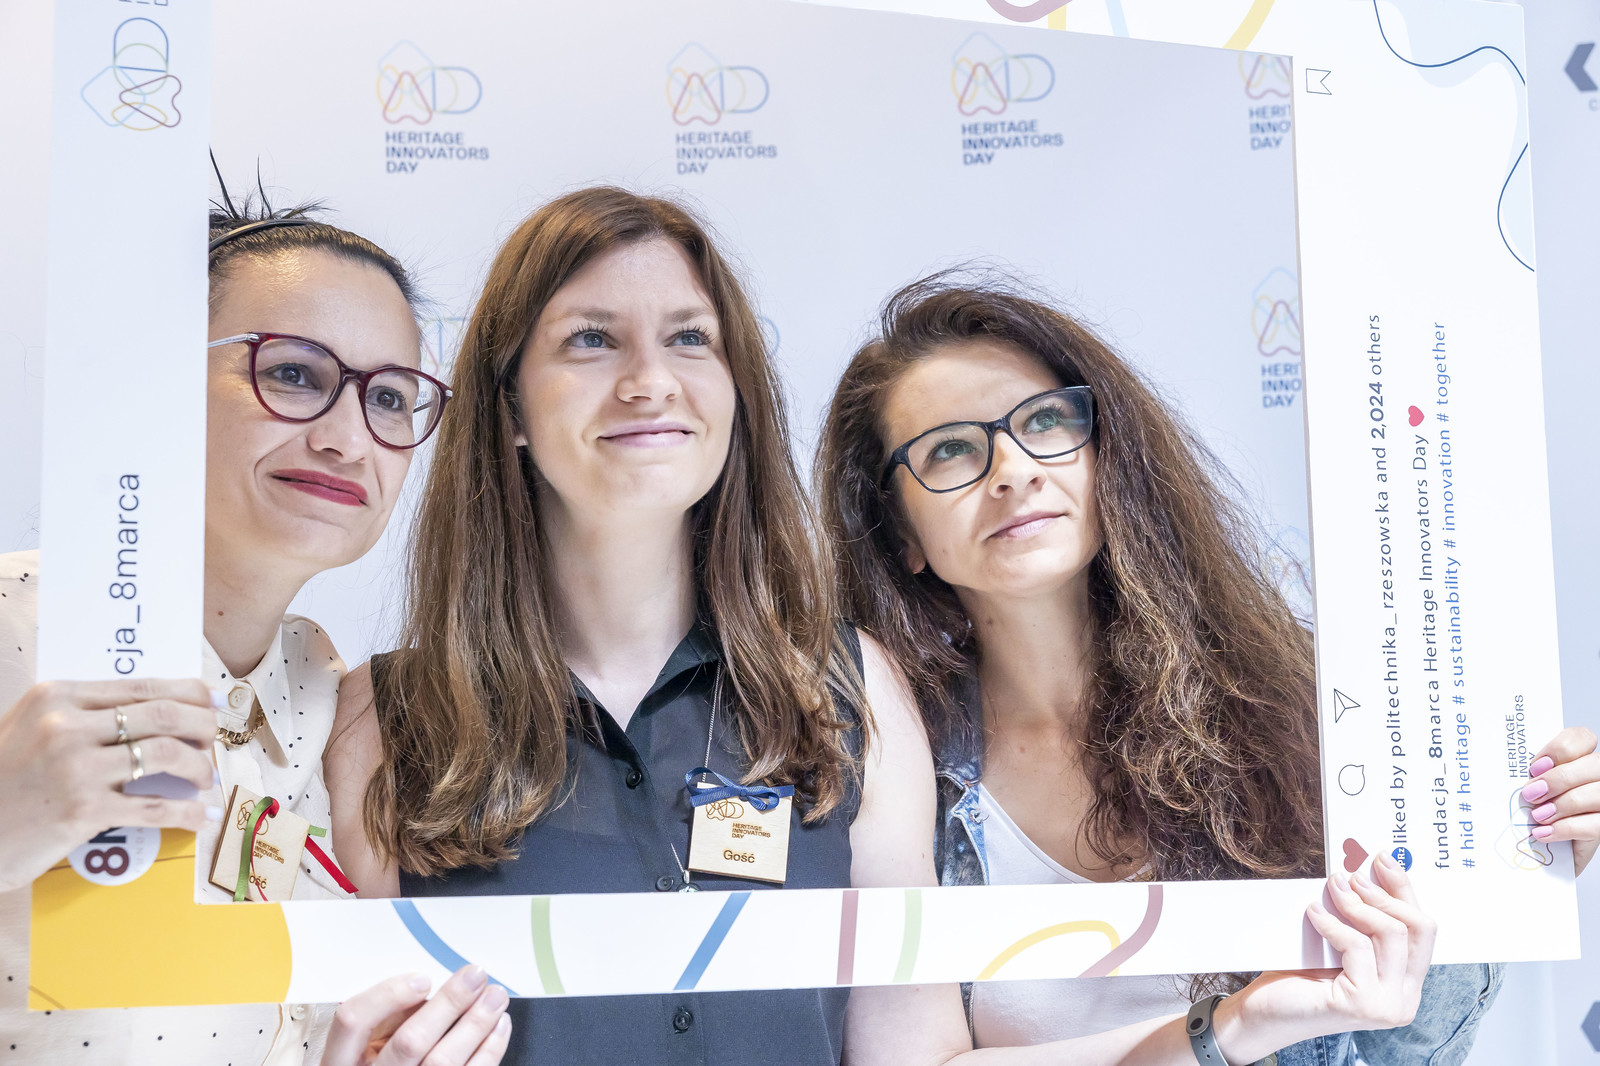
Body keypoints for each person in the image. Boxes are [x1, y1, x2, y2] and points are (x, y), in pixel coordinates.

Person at [328, 189, 1434, 1066]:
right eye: (589, 340)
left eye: (690, 338)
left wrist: (1234, 1027)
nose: (650, 380)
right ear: (508, 408)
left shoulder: (847, 691)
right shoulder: (384, 717)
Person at [816, 273, 1600, 1065]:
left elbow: (1397, 1037)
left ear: (1106, 455)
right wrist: (1229, 1028)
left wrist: (1512, 851)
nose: (1013, 469)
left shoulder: (1309, 708)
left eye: (1047, 421)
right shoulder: (888, 769)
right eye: (951, 448)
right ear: (900, 532)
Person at [0, 194, 509, 1066]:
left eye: (390, 397)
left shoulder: (338, 705)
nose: (348, 439)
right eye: (295, 374)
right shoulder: (18, 630)